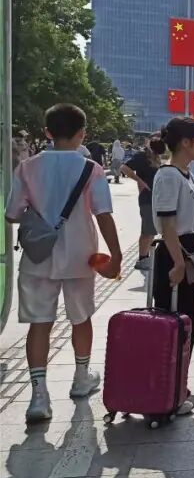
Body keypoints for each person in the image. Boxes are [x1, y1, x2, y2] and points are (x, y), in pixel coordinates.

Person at [5, 104, 122, 423]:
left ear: (47, 132)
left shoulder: (27, 167)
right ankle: (81, 378)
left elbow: (12, 214)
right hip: (81, 257)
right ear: (82, 133)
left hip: (38, 258)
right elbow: (103, 215)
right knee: (81, 318)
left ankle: (38, 396)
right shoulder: (91, 169)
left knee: (39, 324)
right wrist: (116, 255)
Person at [153, 117, 194, 413]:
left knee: (188, 323)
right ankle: (168, 394)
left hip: (190, 250)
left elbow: (187, 217)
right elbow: (167, 225)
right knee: (173, 324)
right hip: (175, 254)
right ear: (186, 143)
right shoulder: (168, 176)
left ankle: (180, 386)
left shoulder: (186, 174)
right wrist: (177, 262)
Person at [122, 133, 166, 271]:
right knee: (147, 230)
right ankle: (142, 259)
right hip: (147, 197)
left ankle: (147, 256)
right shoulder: (142, 156)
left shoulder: (157, 157)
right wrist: (140, 181)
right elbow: (124, 168)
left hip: (157, 198)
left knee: (152, 229)